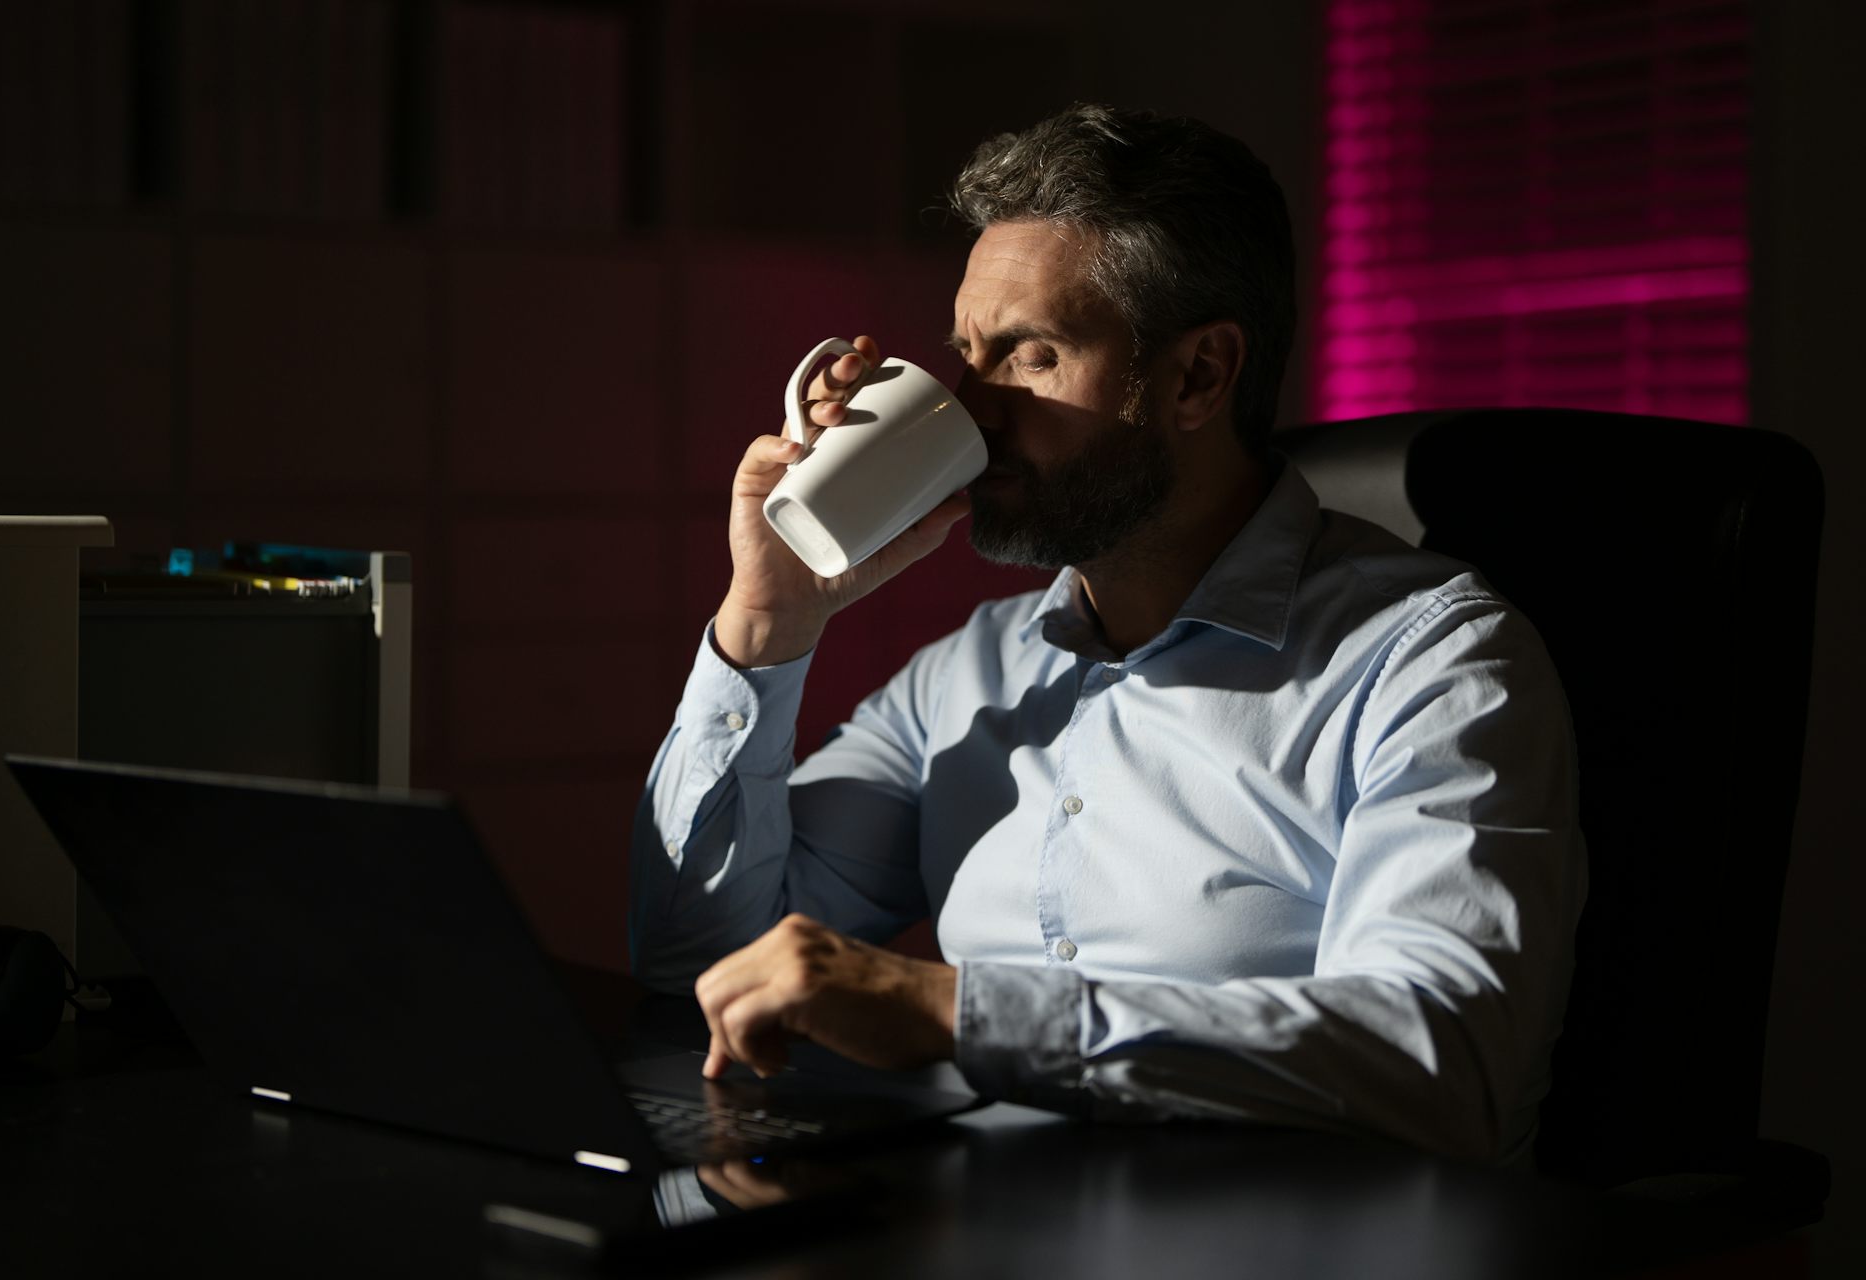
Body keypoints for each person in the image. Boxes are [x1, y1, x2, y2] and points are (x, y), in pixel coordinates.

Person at [629, 104, 1585, 1165]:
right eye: (967, 357)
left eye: (1030, 354)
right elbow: (695, 959)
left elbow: (1447, 1062)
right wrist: (767, 618)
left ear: (1199, 376)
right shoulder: (966, 677)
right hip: (981, 1213)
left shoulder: (1431, 663)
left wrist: (961, 1014)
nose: (974, 410)